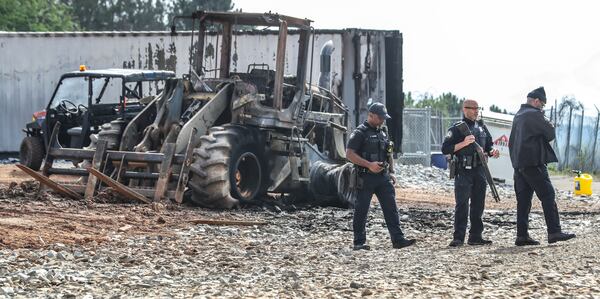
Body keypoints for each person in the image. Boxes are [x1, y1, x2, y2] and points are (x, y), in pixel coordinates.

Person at [509, 87, 576, 246]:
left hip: (519, 165)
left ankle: (522, 235)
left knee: (524, 201)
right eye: (542, 104)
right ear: (537, 101)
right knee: (548, 195)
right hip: (533, 163)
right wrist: (545, 119)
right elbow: (550, 133)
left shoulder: (518, 115)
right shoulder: (533, 114)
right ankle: (554, 231)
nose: (542, 107)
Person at [346, 102, 416, 250]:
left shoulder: (383, 132)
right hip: (365, 177)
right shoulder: (360, 133)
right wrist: (369, 165)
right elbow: (349, 154)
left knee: (391, 208)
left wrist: (391, 172)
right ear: (371, 115)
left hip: (383, 178)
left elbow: (388, 153)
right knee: (362, 209)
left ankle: (398, 239)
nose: (383, 120)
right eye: (380, 117)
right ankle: (359, 242)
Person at [442, 99, 500, 247]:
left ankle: (475, 236)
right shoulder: (457, 128)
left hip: (480, 169)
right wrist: (464, 143)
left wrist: (492, 151)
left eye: (477, 108)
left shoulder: (481, 127)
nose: (476, 111)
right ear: (464, 109)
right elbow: (445, 148)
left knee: (478, 204)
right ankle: (458, 238)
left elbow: (488, 146)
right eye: (473, 108)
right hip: (463, 170)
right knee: (462, 204)